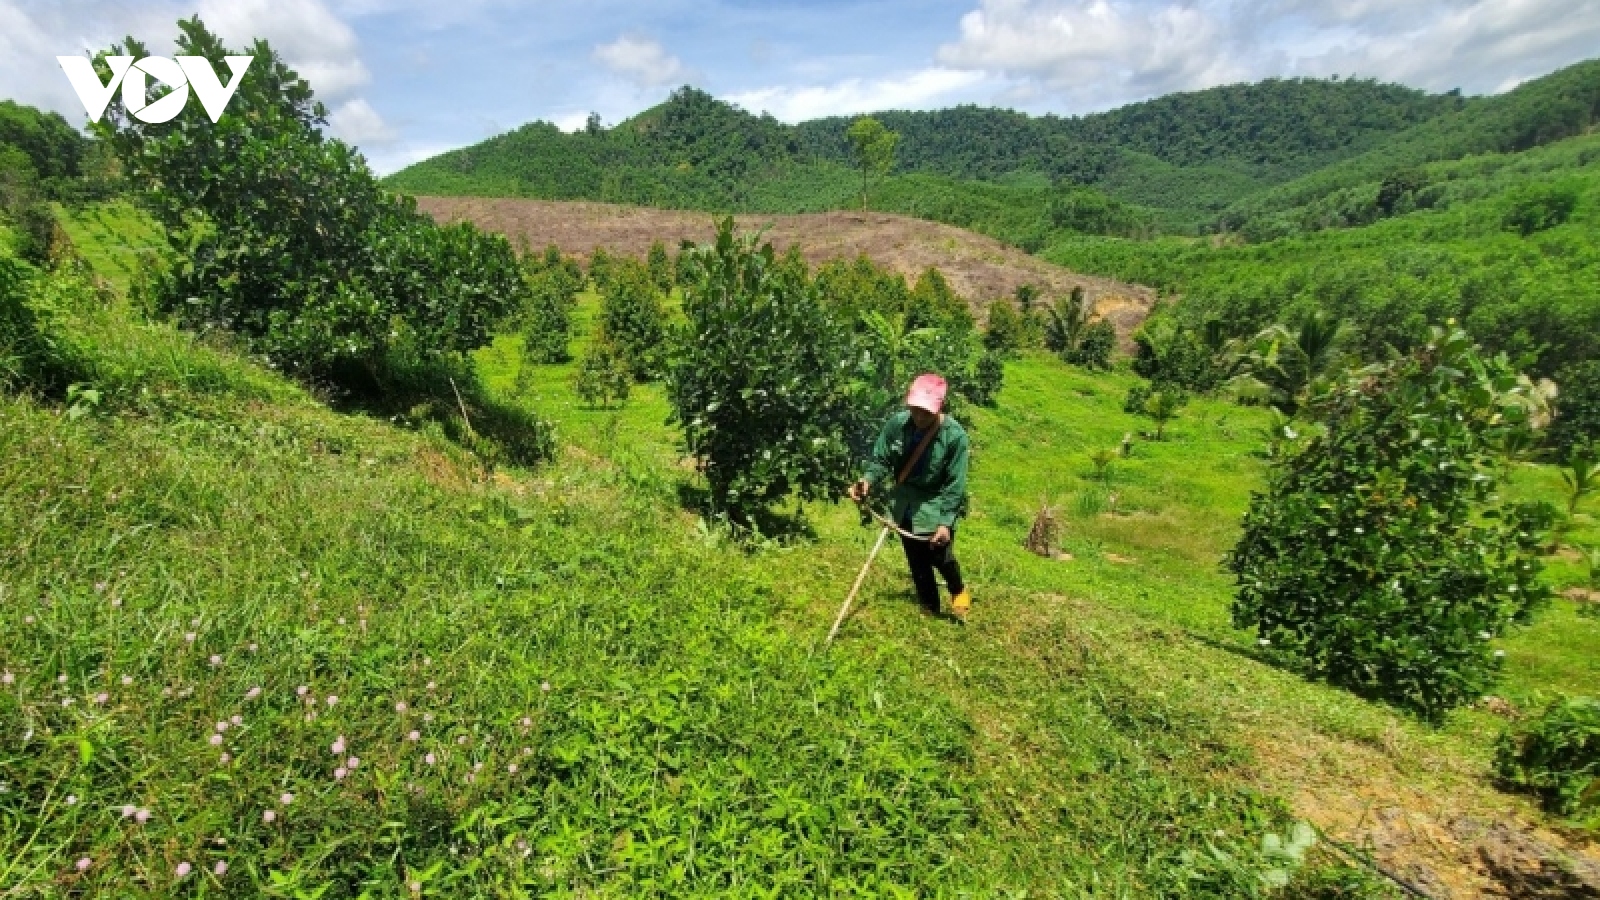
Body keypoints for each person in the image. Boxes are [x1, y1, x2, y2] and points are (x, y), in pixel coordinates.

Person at [848, 373, 972, 621]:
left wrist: (945, 523)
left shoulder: (955, 437)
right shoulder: (898, 424)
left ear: (939, 409)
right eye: (915, 410)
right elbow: (881, 459)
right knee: (916, 560)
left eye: (926, 412)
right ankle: (930, 609)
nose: (919, 417)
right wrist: (867, 481)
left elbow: (954, 483)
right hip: (904, 502)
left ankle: (958, 590)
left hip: (935, 502)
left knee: (940, 555)